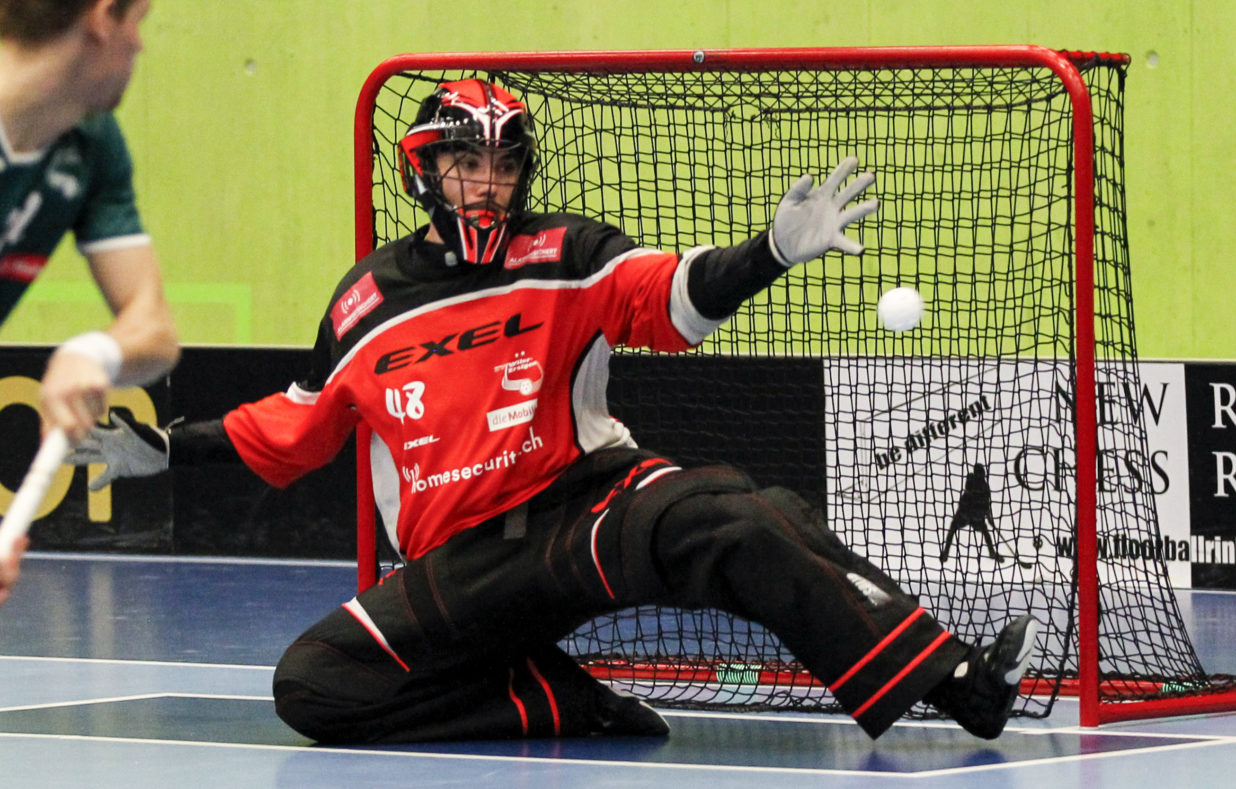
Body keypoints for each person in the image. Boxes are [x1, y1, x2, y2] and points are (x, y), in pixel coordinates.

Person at [70, 79, 1038, 743]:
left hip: (594, 502)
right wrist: (166, 448)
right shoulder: (364, 300)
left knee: (744, 518)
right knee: (313, 683)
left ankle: (957, 682)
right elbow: (297, 420)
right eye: (464, 164)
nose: (485, 183)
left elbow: (672, 298)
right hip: (467, 563)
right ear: (424, 171)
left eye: (500, 165)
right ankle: (561, 704)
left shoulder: (571, 252)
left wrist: (767, 254)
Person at [0, 0, 184, 597]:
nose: (139, 46)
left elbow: (154, 328)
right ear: (102, 18)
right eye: (138, 22)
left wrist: (97, 351)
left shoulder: (91, 146)